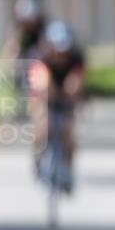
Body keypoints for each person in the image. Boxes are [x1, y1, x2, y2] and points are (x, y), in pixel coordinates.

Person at [29, 21, 85, 193]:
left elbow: (77, 81)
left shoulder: (76, 59)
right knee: (43, 125)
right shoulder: (41, 58)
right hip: (45, 98)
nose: (61, 53)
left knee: (67, 131)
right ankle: (38, 157)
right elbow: (39, 81)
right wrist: (46, 90)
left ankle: (68, 169)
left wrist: (72, 92)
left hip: (66, 100)